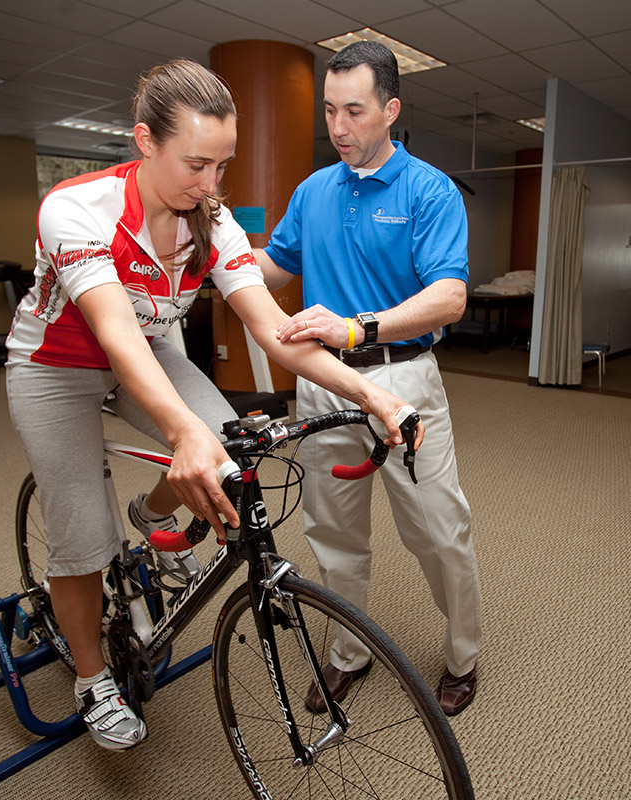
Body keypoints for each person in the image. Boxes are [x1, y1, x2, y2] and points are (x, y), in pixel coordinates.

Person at [5, 58, 424, 751]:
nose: (210, 186)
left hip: (146, 348)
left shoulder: (214, 221)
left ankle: (152, 516)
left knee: (229, 440)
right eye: (195, 165)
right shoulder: (77, 208)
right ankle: (90, 680)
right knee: (82, 535)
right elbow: (113, 332)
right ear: (145, 140)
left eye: (222, 167)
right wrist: (181, 432)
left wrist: (374, 391)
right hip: (57, 365)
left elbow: (275, 332)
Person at [252, 40, 483, 716]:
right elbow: (272, 271)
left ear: (391, 110)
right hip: (322, 382)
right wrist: (223, 258)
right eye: (330, 112)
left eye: (355, 111)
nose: (340, 128)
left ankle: (463, 653)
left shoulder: (429, 190)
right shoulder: (312, 191)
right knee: (334, 534)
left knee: (439, 531)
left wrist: (362, 326)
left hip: (403, 380)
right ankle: (347, 652)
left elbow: (449, 298)